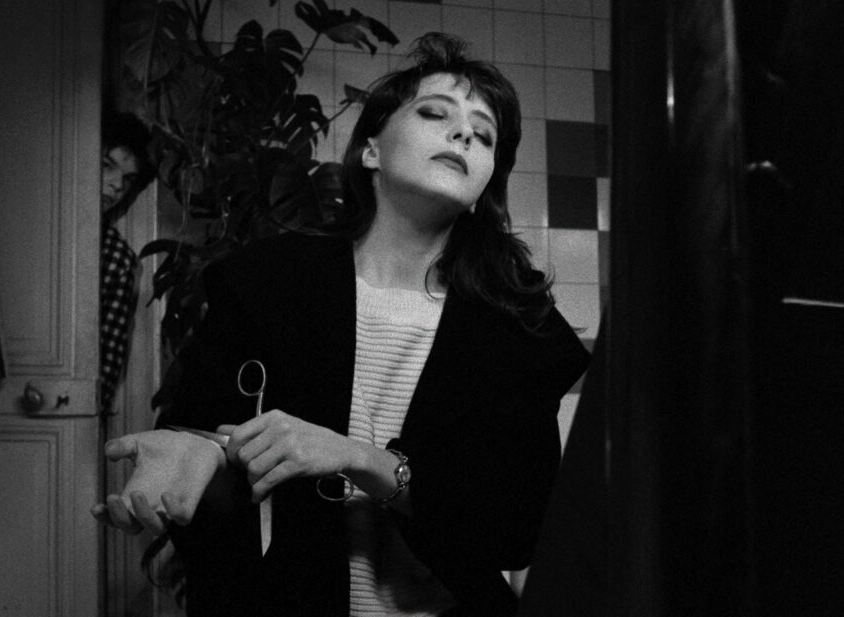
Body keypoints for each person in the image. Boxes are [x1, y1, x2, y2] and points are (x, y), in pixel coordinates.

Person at [91, 33, 590, 617]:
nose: (462, 135)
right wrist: (199, 454)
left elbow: (516, 530)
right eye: (436, 114)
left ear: (483, 189)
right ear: (371, 150)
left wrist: (363, 459)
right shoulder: (263, 285)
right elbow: (207, 453)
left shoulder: (520, 330)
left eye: (484, 135)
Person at [99, 111, 154, 414]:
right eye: (106, 166)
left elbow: (105, 375)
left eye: (128, 178)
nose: (117, 185)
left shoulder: (117, 259)